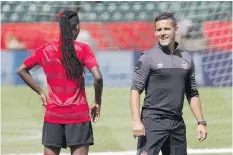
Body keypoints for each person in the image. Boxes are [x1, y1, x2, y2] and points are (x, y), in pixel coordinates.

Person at [17, 10, 103, 155]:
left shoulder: (45, 50)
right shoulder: (83, 49)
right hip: (78, 115)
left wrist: (40, 91)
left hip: (53, 115)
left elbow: (21, 70)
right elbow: (98, 78)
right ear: (78, 27)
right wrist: (97, 102)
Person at [130, 12, 207, 155]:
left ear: (176, 30)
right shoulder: (147, 57)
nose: (162, 33)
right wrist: (136, 121)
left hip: (177, 123)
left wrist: (201, 122)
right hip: (152, 122)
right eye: (159, 30)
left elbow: (192, 93)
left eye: (166, 29)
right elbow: (135, 90)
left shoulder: (186, 58)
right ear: (154, 32)